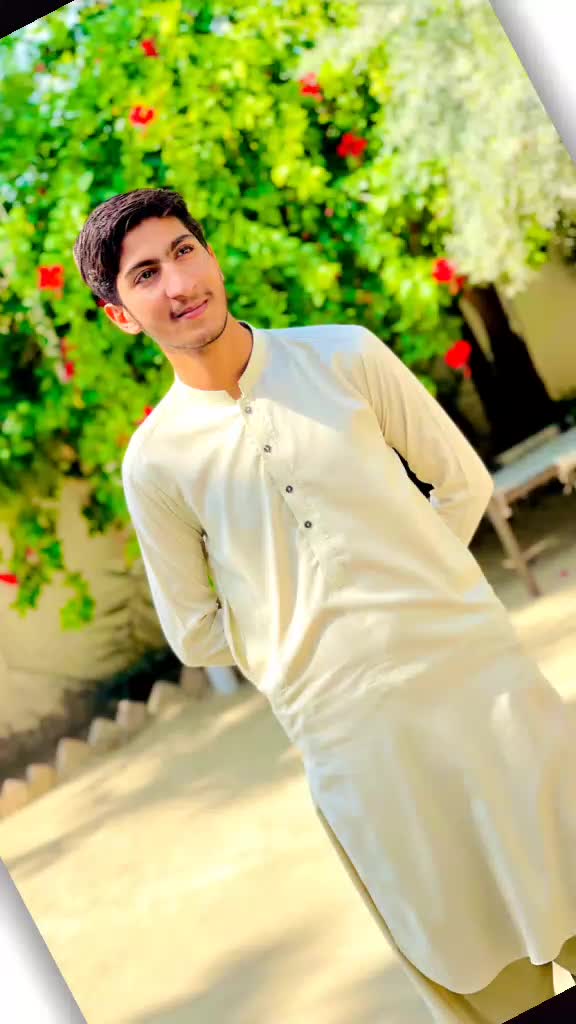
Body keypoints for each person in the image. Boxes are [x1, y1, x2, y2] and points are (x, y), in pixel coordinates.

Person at [74, 187, 576, 1023]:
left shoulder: (343, 354)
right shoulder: (155, 462)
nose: (179, 283)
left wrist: (418, 591)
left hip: (488, 691)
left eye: (185, 251)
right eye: (146, 274)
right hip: (360, 751)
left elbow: (459, 483)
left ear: (212, 254)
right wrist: (311, 655)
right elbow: (194, 631)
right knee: (481, 975)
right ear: (121, 316)